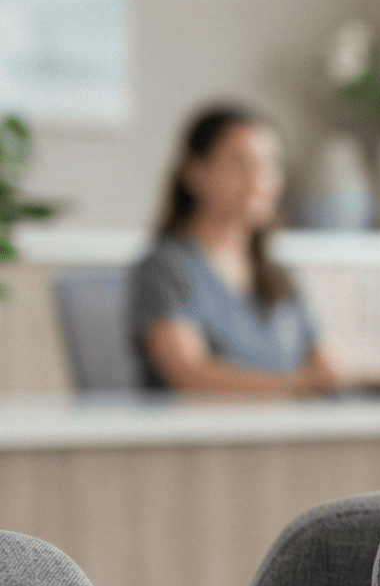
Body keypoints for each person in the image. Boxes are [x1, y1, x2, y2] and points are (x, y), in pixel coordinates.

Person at [130, 104, 340, 394]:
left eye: (270, 164)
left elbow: (321, 366)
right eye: (241, 163)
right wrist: (295, 388)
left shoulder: (275, 273)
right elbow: (187, 373)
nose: (259, 179)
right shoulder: (165, 268)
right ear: (196, 173)